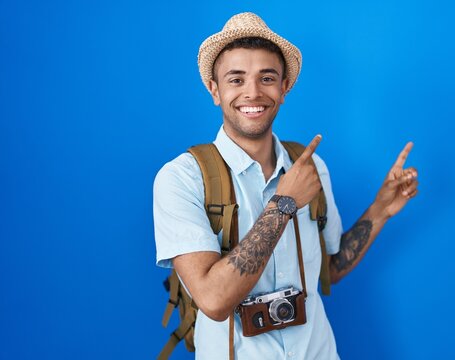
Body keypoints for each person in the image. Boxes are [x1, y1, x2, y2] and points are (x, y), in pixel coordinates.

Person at [154, 12, 419, 360]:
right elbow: (214, 300)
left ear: (284, 88)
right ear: (214, 90)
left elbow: (331, 267)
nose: (253, 92)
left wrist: (381, 210)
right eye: (236, 79)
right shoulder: (181, 178)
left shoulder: (310, 168)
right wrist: (284, 204)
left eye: (267, 78)